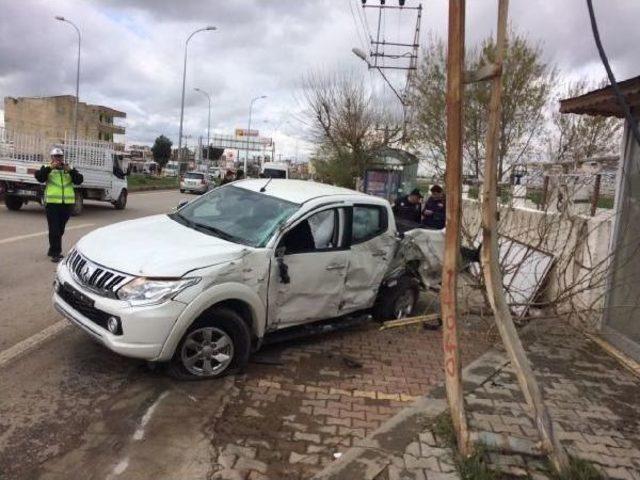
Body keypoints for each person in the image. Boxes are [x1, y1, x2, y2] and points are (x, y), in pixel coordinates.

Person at [34, 147, 83, 262]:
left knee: (60, 229)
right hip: (52, 203)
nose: (58, 159)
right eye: (55, 157)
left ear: (62, 157)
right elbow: (40, 177)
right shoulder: (46, 168)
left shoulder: (69, 169)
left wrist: (70, 170)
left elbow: (79, 180)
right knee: (54, 229)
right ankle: (56, 253)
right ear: (52, 157)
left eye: (60, 156)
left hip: (66, 204)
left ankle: (52, 249)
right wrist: (51, 168)